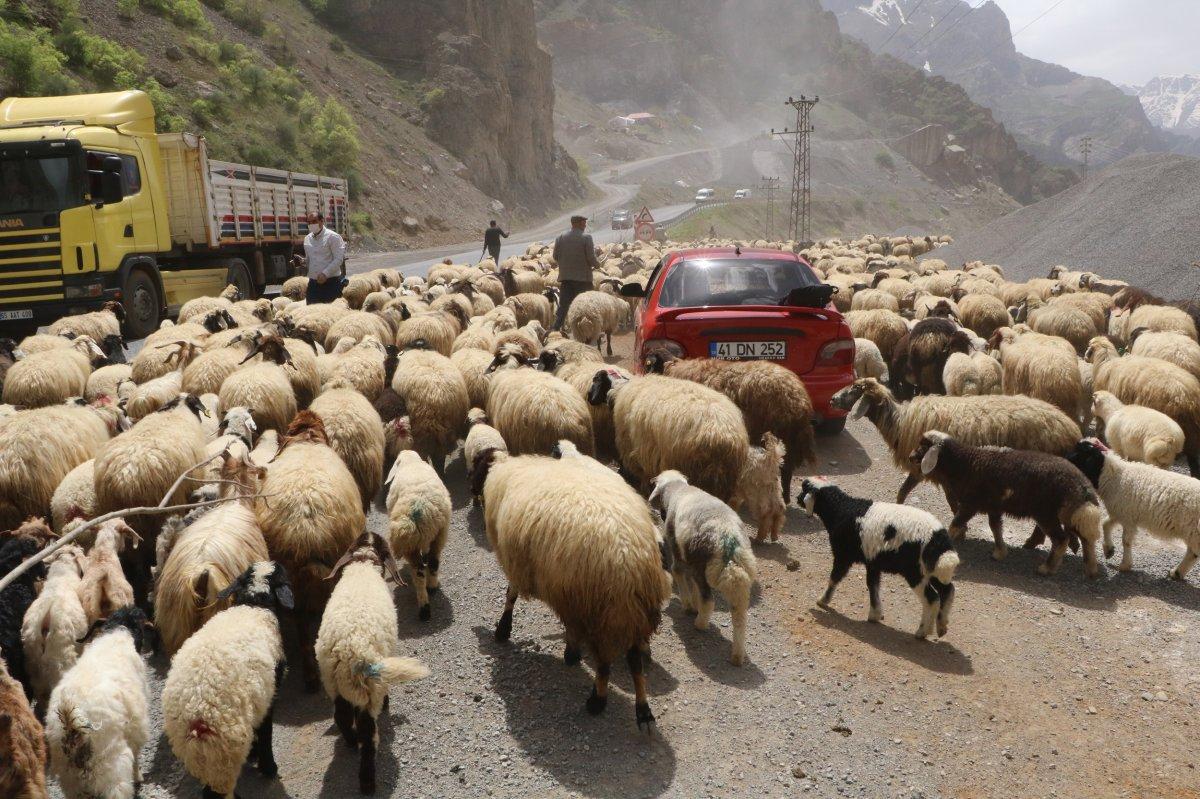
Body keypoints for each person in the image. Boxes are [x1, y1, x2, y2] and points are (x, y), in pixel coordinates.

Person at [551, 214, 600, 331]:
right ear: (577, 223)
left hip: (566, 279)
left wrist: (566, 265)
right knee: (586, 306)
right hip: (583, 280)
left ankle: (555, 329)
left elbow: (555, 256)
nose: (585, 225)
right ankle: (588, 330)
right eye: (583, 222)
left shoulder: (560, 237)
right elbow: (591, 258)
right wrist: (597, 265)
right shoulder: (586, 238)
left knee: (563, 306)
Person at [293, 212, 346, 304]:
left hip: (331, 283)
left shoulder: (333, 237)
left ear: (322, 221)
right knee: (312, 313)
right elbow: (311, 260)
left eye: (314, 221)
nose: (311, 225)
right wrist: (302, 261)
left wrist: (325, 274)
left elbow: (338, 259)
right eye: (309, 222)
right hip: (313, 284)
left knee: (331, 313)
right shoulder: (307, 239)